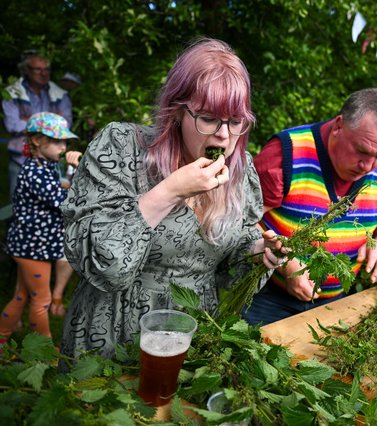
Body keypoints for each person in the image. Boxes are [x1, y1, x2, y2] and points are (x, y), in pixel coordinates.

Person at [59, 38, 284, 359]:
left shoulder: (241, 169)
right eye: (208, 117)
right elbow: (106, 268)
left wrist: (257, 253)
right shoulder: (122, 148)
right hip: (113, 333)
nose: (224, 135)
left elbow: (232, 264)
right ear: (177, 111)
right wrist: (170, 191)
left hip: (194, 333)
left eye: (236, 122)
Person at [243, 88, 377, 325]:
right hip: (267, 298)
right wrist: (287, 266)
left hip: (338, 302)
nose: (369, 166)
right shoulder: (285, 153)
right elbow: (240, 222)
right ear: (339, 125)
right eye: (361, 150)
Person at [0, 112, 81, 348]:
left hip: (33, 245)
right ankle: (44, 350)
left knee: (22, 296)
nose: (63, 146)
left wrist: (68, 174)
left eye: (64, 141)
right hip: (31, 247)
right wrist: (75, 170)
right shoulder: (35, 172)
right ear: (37, 141)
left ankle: (2, 336)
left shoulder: (43, 166)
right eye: (56, 141)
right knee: (41, 299)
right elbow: (64, 200)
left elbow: (59, 186)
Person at [3, 51, 73, 196]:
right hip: (20, 160)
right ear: (26, 71)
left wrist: (28, 121)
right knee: (17, 205)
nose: (44, 73)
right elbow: (12, 124)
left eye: (47, 69)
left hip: (52, 160)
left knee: (51, 205)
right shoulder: (12, 93)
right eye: (38, 69)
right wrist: (52, 123)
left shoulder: (60, 94)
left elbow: (66, 124)